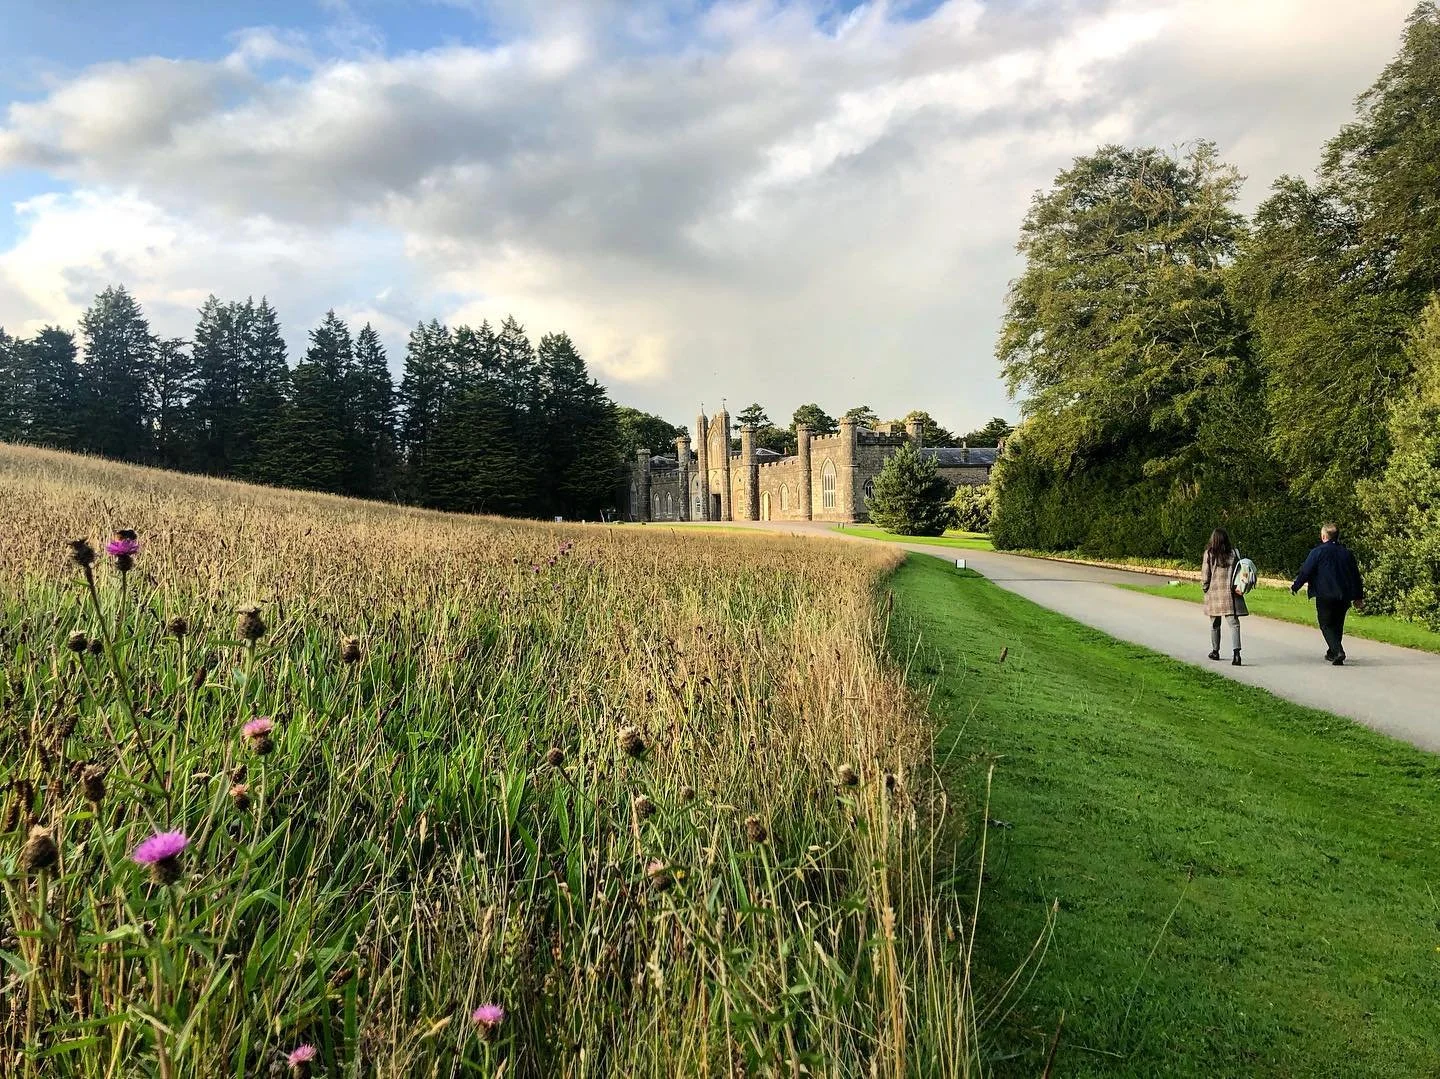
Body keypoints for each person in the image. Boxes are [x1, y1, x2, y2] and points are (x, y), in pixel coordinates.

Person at [1291, 523, 1365, 665]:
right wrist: (1358, 596)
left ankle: (1338, 651)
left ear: (1324, 536)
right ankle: (1332, 651)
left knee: (1326, 624)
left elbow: (1306, 571)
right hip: (1344, 595)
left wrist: (1296, 586)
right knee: (1337, 623)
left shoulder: (1318, 552)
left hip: (1325, 593)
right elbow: (1355, 576)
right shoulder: (1347, 553)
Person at [1201, 527, 1248, 666]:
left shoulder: (1209, 554)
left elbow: (1205, 575)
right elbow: (1240, 572)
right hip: (1231, 594)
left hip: (1215, 593)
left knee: (1215, 624)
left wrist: (1205, 588)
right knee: (1234, 624)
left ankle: (1215, 651)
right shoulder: (1234, 553)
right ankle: (1237, 654)